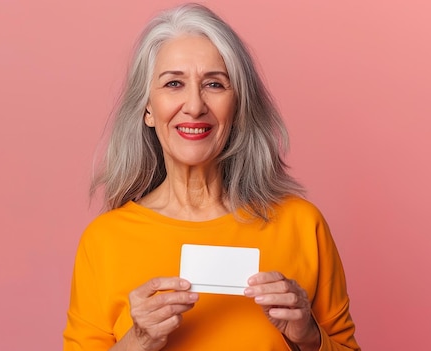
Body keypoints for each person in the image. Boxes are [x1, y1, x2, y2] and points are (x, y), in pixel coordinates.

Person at [64, 3, 360, 350]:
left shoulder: (301, 225)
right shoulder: (104, 241)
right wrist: (139, 339)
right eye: (174, 83)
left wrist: (308, 335)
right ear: (147, 108)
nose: (194, 105)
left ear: (238, 107)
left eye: (215, 85)